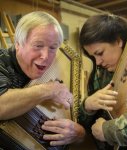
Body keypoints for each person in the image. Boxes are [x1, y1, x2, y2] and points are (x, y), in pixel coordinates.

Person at [0, 11, 85, 149]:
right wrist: (48, 90)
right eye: (38, 45)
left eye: (52, 48)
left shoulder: (59, 70)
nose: (45, 56)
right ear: (18, 44)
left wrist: (78, 133)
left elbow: (79, 132)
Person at [78, 13, 127, 150]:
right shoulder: (104, 72)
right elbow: (89, 125)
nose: (98, 62)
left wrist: (108, 131)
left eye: (100, 53)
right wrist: (87, 106)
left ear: (118, 41)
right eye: (93, 57)